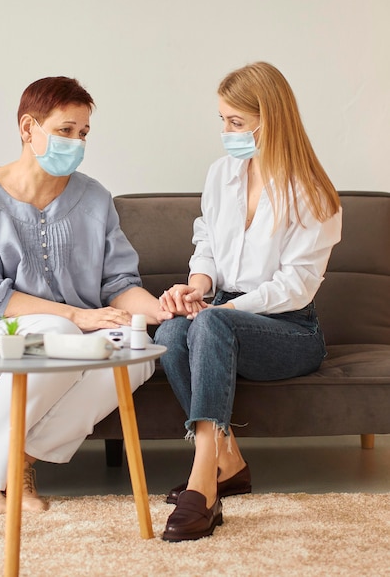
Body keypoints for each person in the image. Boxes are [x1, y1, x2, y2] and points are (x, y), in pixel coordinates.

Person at [0, 76, 172, 514]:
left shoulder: (95, 198)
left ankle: (15, 463)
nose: (77, 142)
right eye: (66, 130)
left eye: (83, 133)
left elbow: (119, 284)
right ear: (29, 128)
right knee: (55, 330)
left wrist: (159, 311)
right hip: (0, 331)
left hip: (80, 331)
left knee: (137, 353)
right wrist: (76, 316)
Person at [155, 61, 342, 542]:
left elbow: (296, 287)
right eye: (222, 120)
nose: (226, 132)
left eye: (235, 122)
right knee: (172, 329)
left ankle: (204, 486)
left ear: (271, 120)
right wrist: (197, 287)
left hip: (290, 328)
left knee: (209, 326)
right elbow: (208, 246)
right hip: (224, 311)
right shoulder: (223, 174)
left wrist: (223, 311)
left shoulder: (314, 192)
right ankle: (229, 463)